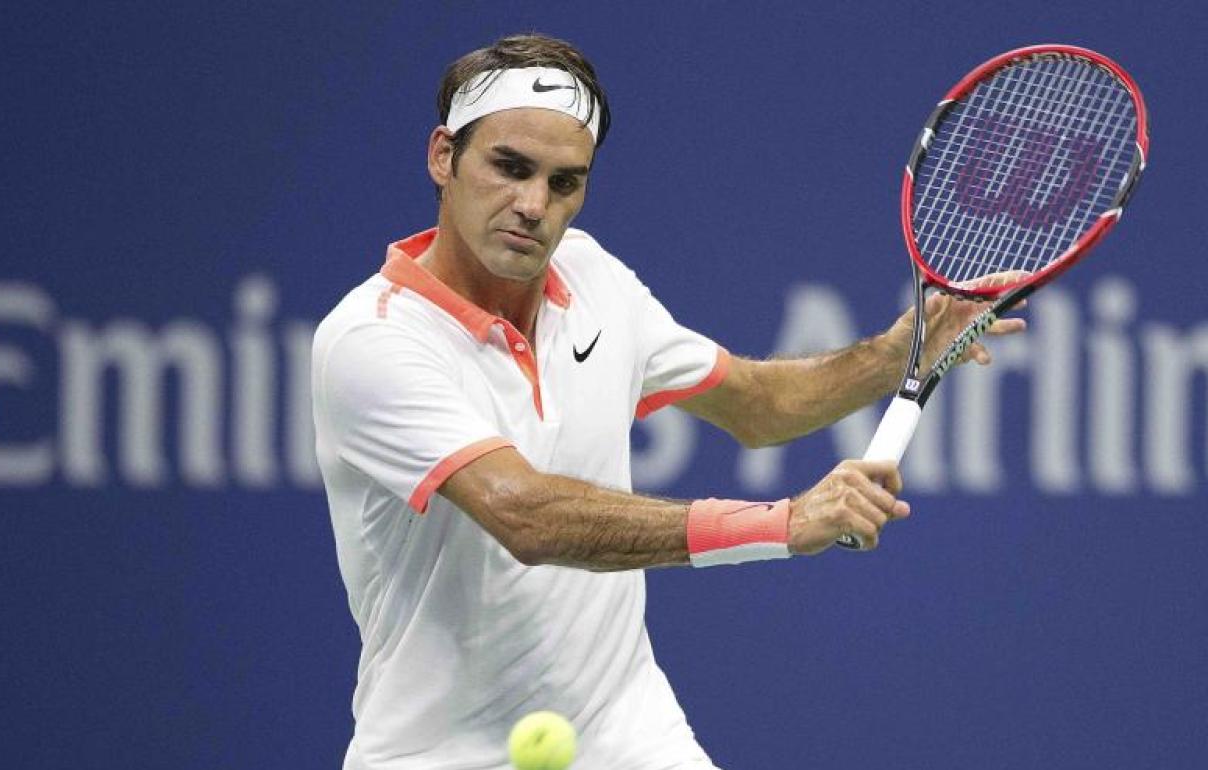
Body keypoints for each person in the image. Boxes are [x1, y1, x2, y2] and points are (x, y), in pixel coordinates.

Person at [311, 33, 1024, 770]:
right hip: (438, 754)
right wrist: (784, 522)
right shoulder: (373, 339)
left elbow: (757, 405)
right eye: (509, 167)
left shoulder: (591, 275)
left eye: (564, 183)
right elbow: (526, 516)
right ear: (442, 156)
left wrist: (894, 353)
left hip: (627, 734)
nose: (532, 206)